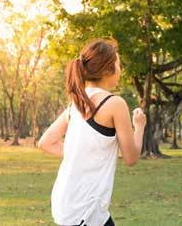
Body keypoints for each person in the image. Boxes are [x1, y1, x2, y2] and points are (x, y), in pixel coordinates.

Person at [37, 39, 147, 226]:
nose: (121, 71)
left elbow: (45, 142)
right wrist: (140, 127)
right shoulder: (115, 104)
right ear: (107, 69)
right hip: (86, 209)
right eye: (119, 65)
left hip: (67, 202)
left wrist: (81, 155)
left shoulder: (77, 103)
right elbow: (131, 157)